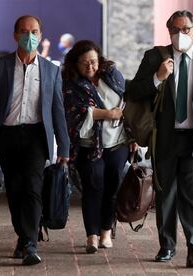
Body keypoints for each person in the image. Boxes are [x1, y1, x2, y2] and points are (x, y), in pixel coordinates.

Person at [128, 10, 193, 267]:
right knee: (166, 195)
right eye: (176, 30)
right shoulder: (154, 57)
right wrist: (157, 78)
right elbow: (135, 91)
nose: (181, 34)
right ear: (169, 31)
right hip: (166, 138)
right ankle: (167, 246)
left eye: (186, 29)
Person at [0, 15, 70, 266]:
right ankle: (24, 235)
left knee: (32, 186)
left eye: (33, 31)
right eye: (23, 31)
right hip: (6, 135)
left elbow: (58, 110)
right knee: (14, 190)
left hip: (36, 136)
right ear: (15, 35)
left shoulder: (51, 70)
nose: (29, 36)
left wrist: (64, 146)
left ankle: (30, 243)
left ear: (40, 35)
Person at [62, 40, 137, 254]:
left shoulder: (112, 74)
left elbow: (128, 103)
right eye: (84, 63)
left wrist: (132, 136)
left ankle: (106, 231)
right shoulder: (70, 83)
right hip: (89, 146)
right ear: (75, 64)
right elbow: (73, 113)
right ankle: (91, 236)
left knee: (112, 188)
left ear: (100, 60)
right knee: (93, 188)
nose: (90, 67)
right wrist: (106, 114)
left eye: (93, 62)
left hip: (118, 142)